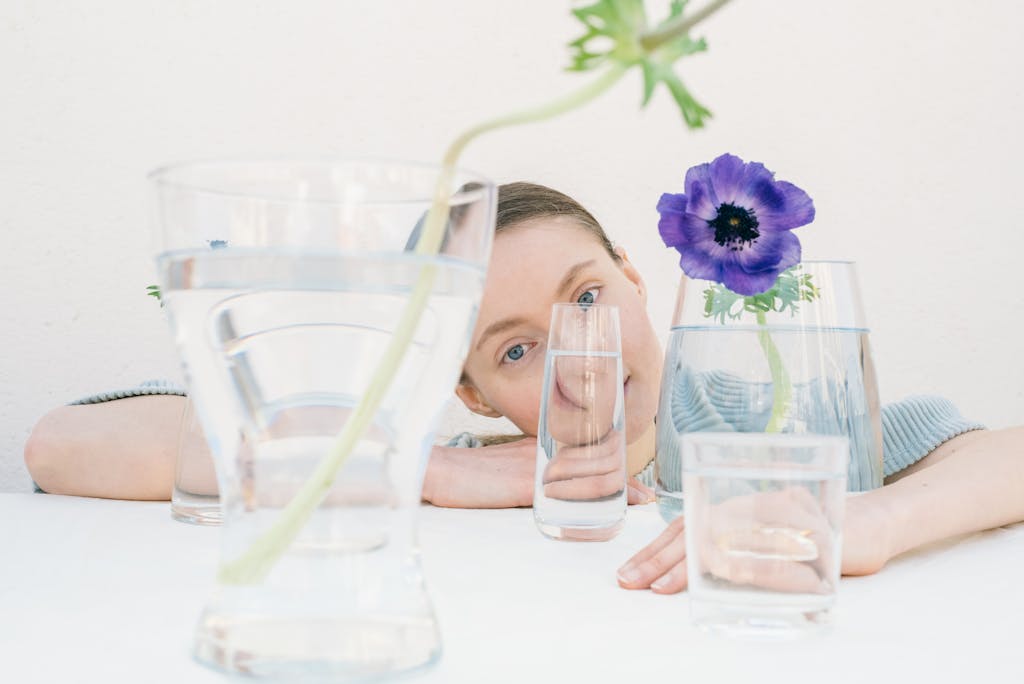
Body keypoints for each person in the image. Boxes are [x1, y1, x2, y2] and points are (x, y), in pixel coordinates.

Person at [24, 182, 1024, 593]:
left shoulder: (758, 425)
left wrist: (876, 523)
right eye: (513, 352)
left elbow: (1004, 456)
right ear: (461, 394)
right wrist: (413, 468)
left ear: (637, 280)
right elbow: (60, 447)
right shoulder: (454, 456)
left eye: (587, 295)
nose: (578, 354)